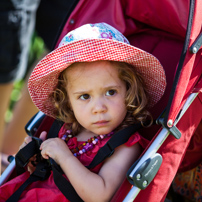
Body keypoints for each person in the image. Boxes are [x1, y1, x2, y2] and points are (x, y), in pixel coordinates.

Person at [0, 23, 166, 201]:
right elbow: (47, 179)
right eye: (85, 96)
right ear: (68, 102)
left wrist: (64, 157)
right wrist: (36, 162)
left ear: (129, 91)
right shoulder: (66, 130)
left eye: (111, 92)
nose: (99, 108)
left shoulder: (124, 146)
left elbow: (100, 195)